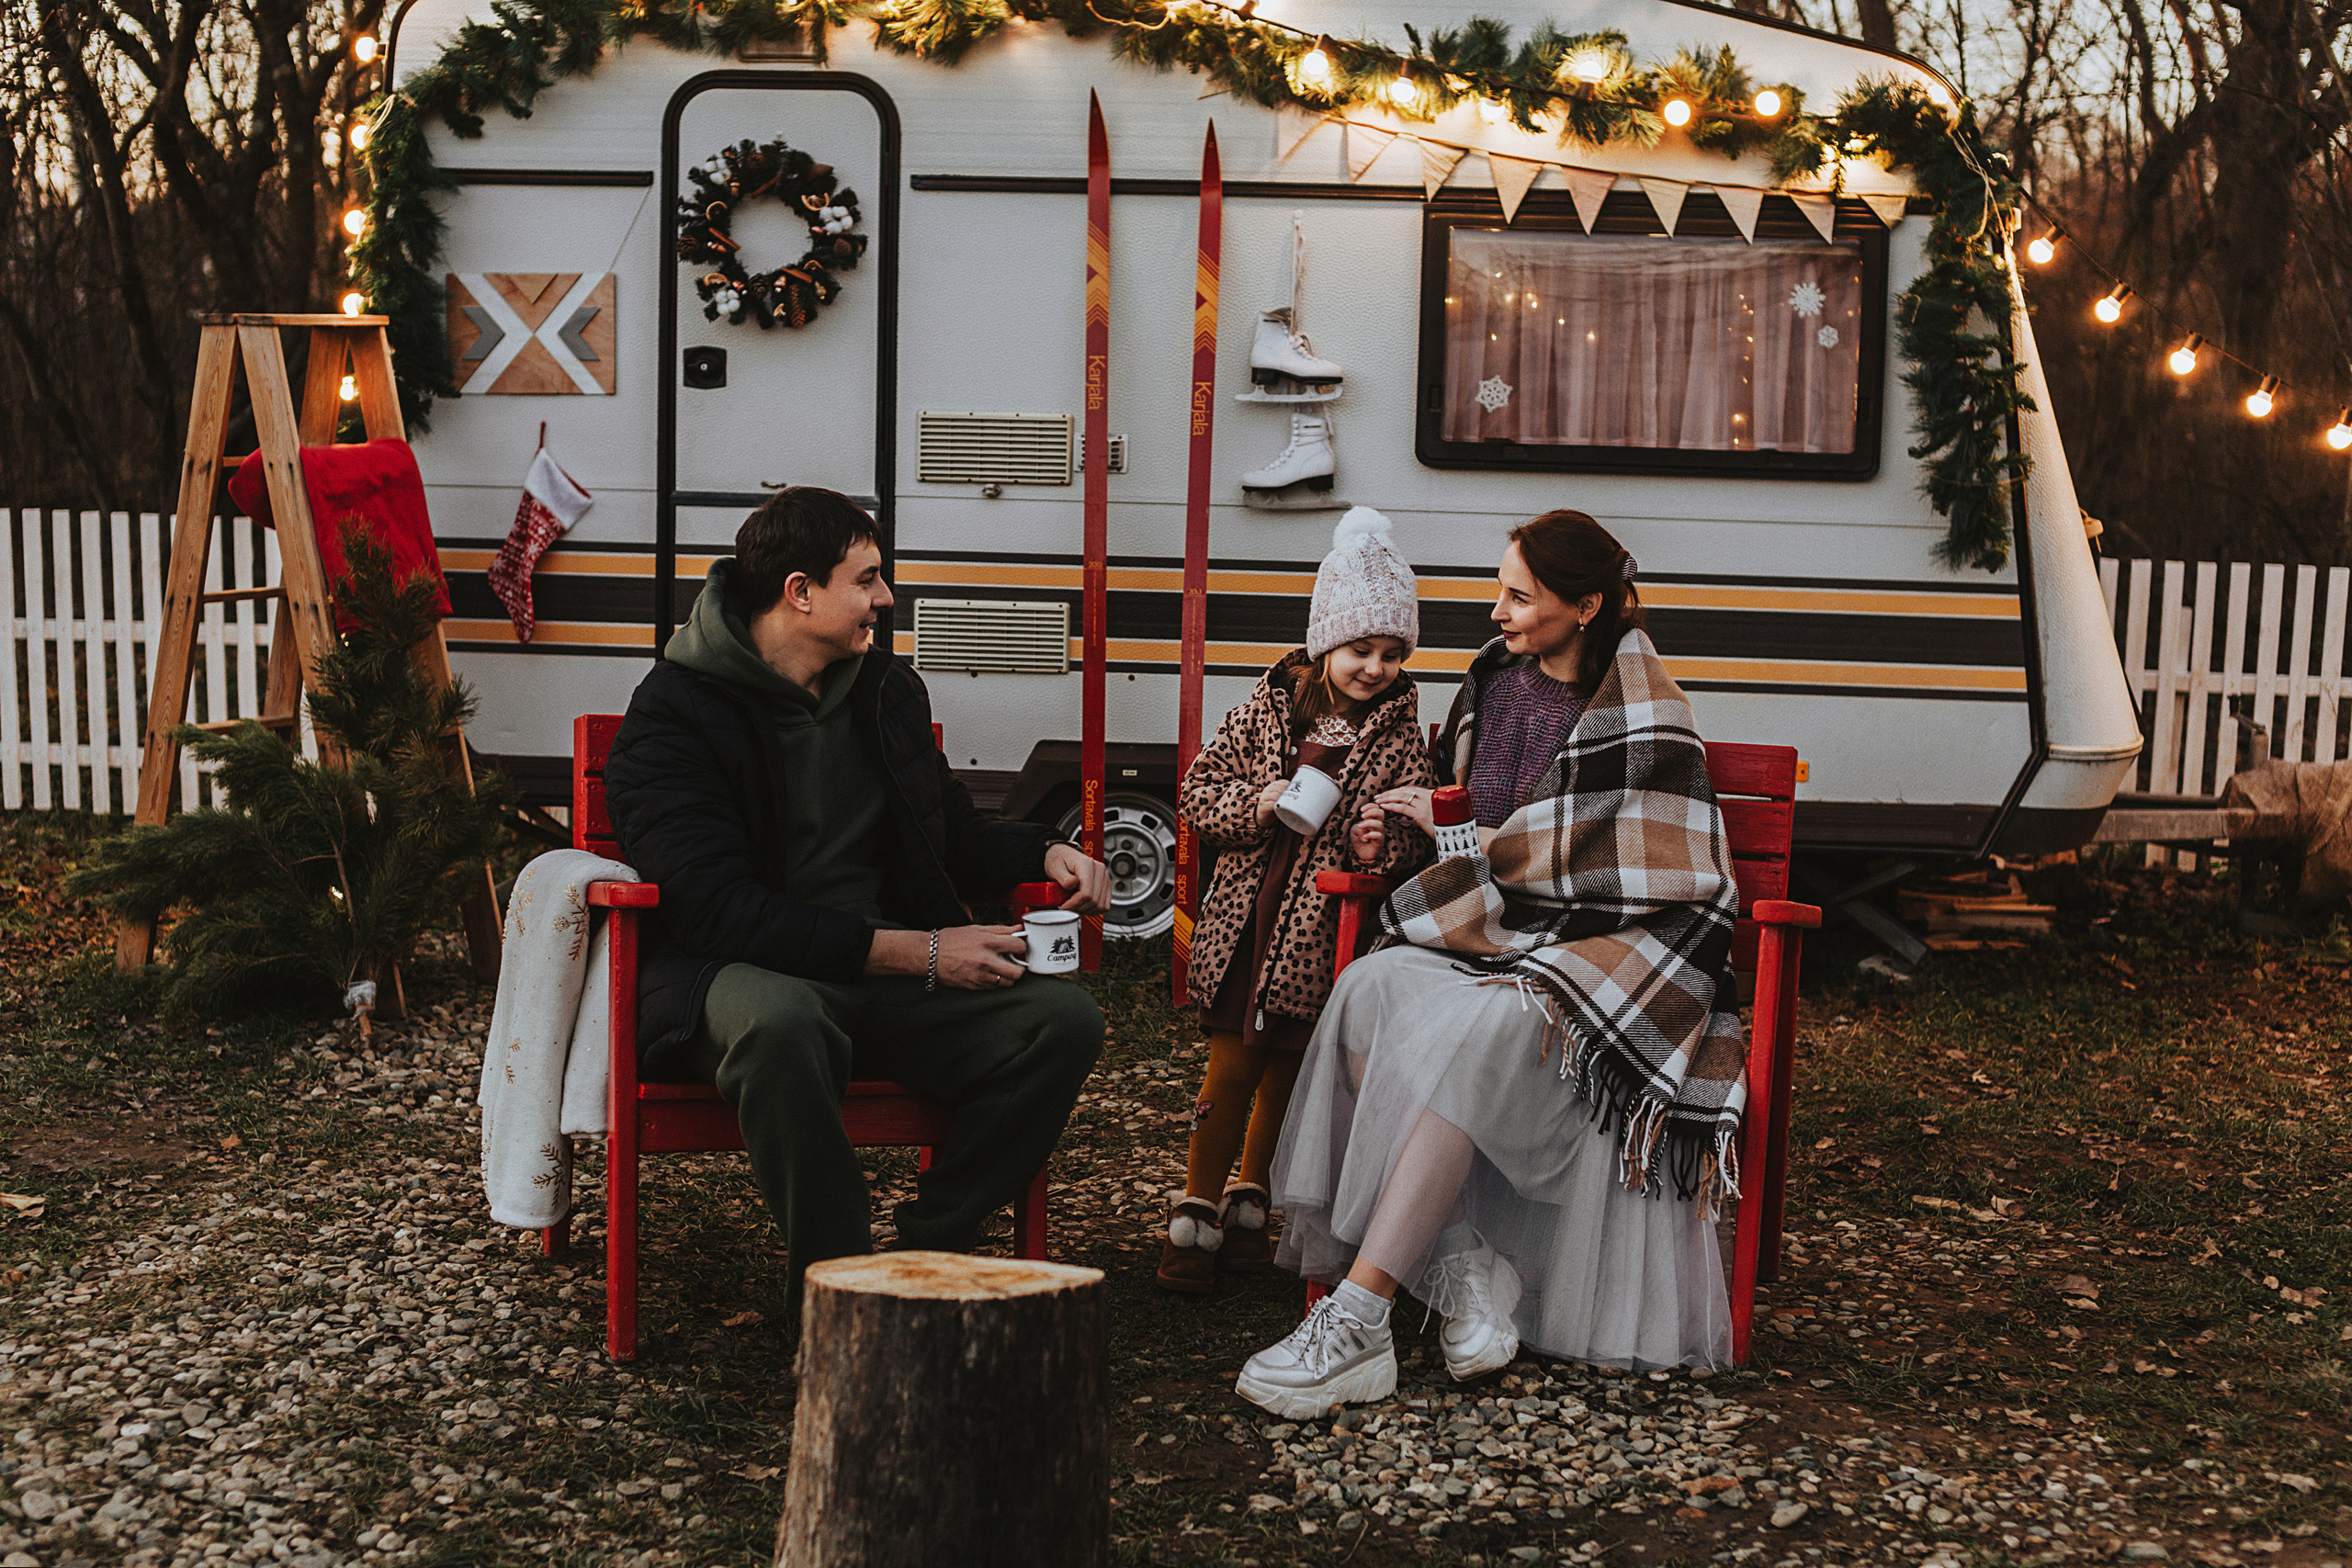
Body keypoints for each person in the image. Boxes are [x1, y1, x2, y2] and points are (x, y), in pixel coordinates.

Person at [1235, 510, 1746, 1419]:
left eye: (1518, 596)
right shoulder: (1492, 690)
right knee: (1366, 988)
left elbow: (1646, 865)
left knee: (1478, 1022)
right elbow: (1471, 831)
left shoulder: (1645, 710)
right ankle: (1470, 1264)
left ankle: (1360, 1316)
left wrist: (1482, 839)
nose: (1495, 612)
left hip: (1609, 950)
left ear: (1584, 606)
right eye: (1498, 588)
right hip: (1503, 930)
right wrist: (1403, 829)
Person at [603, 487, 1113, 1296]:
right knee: (784, 1022)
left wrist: (1050, 849)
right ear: (799, 592)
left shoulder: (885, 691)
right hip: (735, 976)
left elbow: (947, 829)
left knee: (1061, 1021)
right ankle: (838, 1289)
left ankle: (920, 1256)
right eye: (868, 578)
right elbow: (711, 906)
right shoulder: (674, 712)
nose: (886, 597)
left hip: (885, 977)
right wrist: (924, 953)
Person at [1159, 508, 1438, 1293]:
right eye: (1360, 648)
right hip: (1243, 931)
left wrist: (1382, 843)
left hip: (1320, 939)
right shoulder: (1264, 713)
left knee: (1288, 1073)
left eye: (1391, 652)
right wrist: (1260, 800)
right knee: (1229, 1072)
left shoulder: (1398, 739)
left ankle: (1253, 1206)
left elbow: (1410, 832)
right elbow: (1198, 792)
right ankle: (1195, 1211)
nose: (1374, 667)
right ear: (1325, 642)